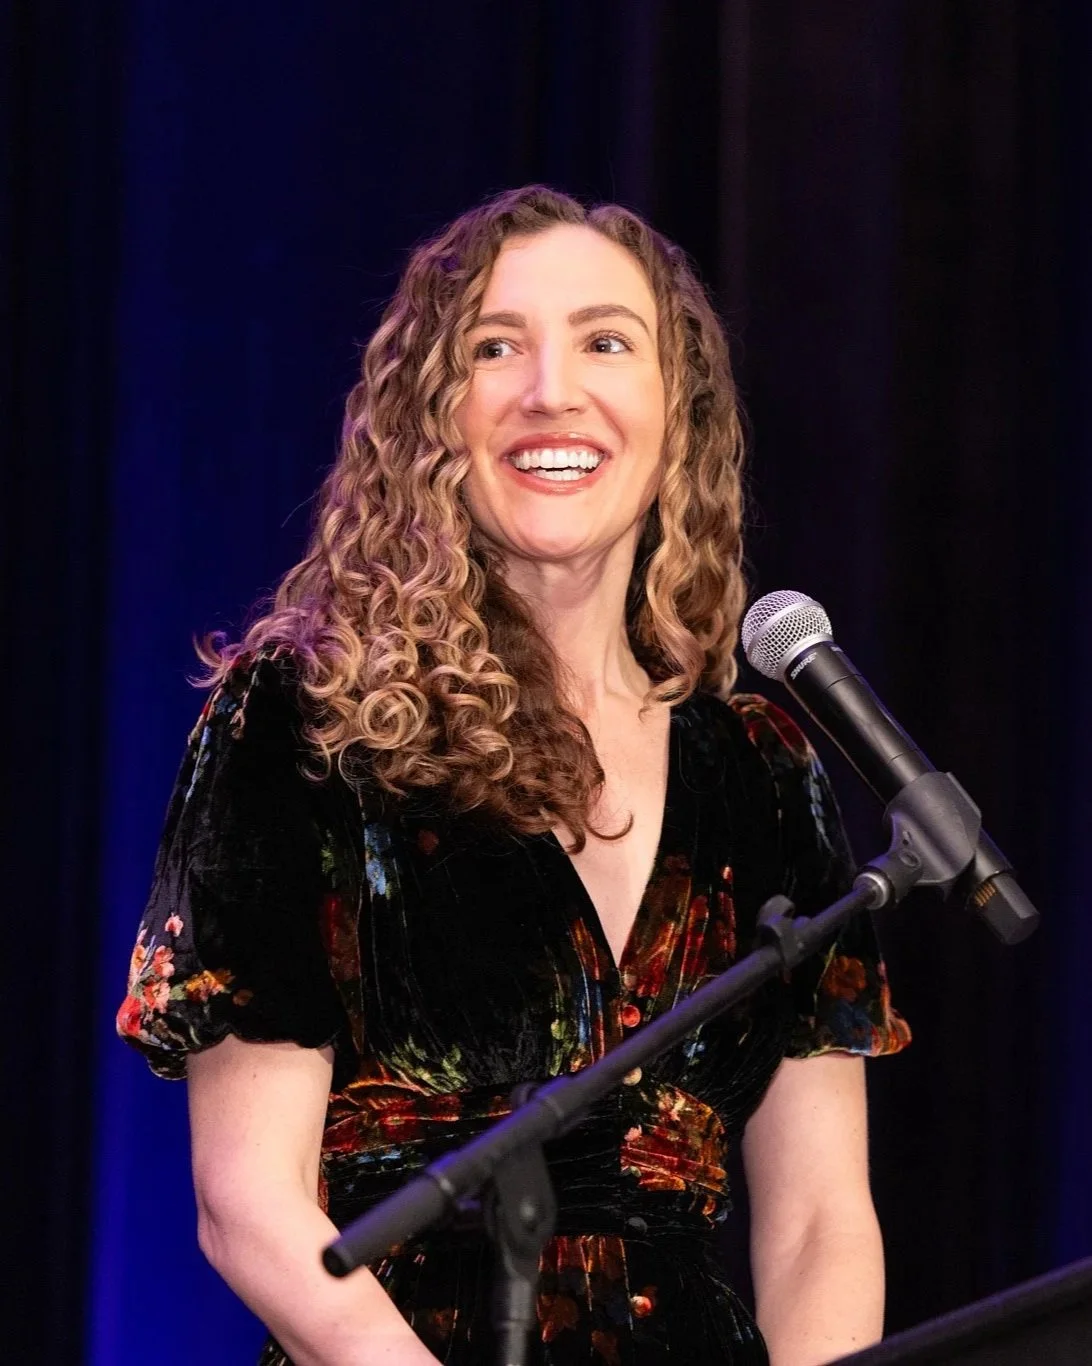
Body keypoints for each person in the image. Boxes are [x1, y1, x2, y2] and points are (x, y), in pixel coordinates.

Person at [117, 184, 910, 1366]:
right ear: (431, 416)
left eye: (605, 342)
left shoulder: (761, 767)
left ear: (678, 409)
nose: (552, 389)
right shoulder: (305, 726)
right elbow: (250, 1204)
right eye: (496, 347)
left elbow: (820, 1223)